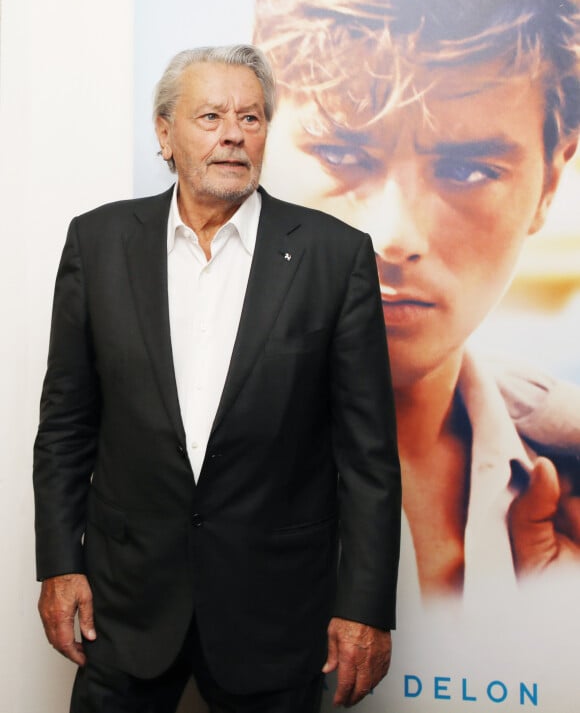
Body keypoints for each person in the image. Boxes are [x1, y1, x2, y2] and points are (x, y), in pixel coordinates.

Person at [33, 45, 401, 713]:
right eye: (211, 115)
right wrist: (60, 564)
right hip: (126, 604)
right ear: (164, 132)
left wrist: (367, 608)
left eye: (252, 117)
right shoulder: (97, 243)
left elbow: (369, 458)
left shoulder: (334, 256)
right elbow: (65, 426)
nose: (234, 133)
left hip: (277, 612)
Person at [252, 0, 580, 602]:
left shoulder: (564, 467)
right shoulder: (147, 441)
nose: (392, 236)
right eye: (343, 155)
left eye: (468, 169)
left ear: (550, 181)